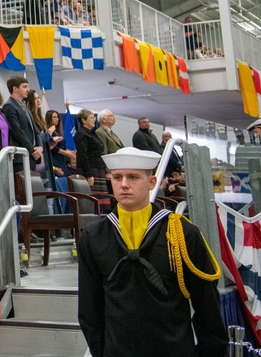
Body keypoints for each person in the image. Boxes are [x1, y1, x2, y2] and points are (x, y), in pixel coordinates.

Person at [78, 147, 225, 357]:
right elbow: (89, 309)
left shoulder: (181, 234)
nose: (124, 184)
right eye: (117, 177)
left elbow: (207, 305)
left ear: (152, 182)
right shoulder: (94, 237)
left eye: (133, 177)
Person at [1, 77, 42, 175]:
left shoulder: (24, 106)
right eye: (25, 87)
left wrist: (40, 147)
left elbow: (35, 130)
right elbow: (17, 131)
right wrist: (32, 150)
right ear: (15, 89)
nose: (28, 90)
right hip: (21, 156)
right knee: (22, 188)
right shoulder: (9, 106)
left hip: (31, 156)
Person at [74, 109, 106, 187]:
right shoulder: (81, 134)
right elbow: (83, 155)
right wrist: (89, 174)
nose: (94, 120)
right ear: (84, 120)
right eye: (91, 118)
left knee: (102, 197)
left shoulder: (92, 133)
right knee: (93, 196)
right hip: (90, 170)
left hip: (98, 168)